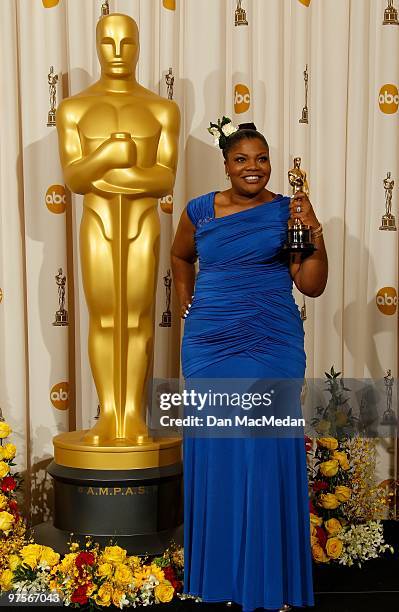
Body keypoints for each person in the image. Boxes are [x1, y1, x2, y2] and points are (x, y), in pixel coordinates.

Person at [171, 119, 328, 612]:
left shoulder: (288, 211)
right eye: (242, 160)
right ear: (226, 165)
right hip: (211, 343)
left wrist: (313, 231)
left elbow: (312, 285)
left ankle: (268, 579)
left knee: (263, 454)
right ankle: (217, 577)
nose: (253, 168)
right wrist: (185, 301)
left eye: (262, 159)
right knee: (219, 452)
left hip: (271, 339)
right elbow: (179, 257)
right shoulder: (199, 210)